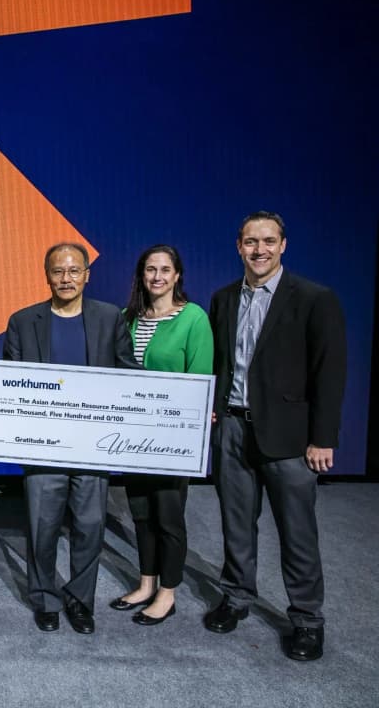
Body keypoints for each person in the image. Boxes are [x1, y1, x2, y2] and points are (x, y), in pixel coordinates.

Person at [205, 211, 346, 661]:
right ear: (238, 246)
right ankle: (237, 597)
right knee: (236, 525)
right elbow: (221, 362)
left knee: (297, 532)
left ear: (283, 245)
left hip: (290, 439)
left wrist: (322, 438)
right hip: (232, 428)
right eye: (250, 242)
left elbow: (330, 373)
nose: (259, 250)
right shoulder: (224, 298)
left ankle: (307, 620)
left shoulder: (313, 298)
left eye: (268, 241)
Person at [2, 242, 138, 634]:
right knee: (42, 527)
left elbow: (127, 376)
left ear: (86, 275)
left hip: (93, 446)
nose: (66, 278)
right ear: (47, 276)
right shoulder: (23, 321)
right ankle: (44, 597)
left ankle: (80, 601)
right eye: (58, 271)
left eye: (74, 270)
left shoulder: (110, 317)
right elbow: (11, 384)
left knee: (90, 525)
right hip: (43, 446)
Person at [111, 245, 213, 625]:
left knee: (168, 515)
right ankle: (146, 583)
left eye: (165, 269)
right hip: (133, 436)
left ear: (177, 275)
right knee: (140, 513)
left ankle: (168, 593)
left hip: (173, 437)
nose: (157, 276)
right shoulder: (127, 318)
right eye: (150, 270)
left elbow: (200, 379)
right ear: (141, 276)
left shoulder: (193, 318)